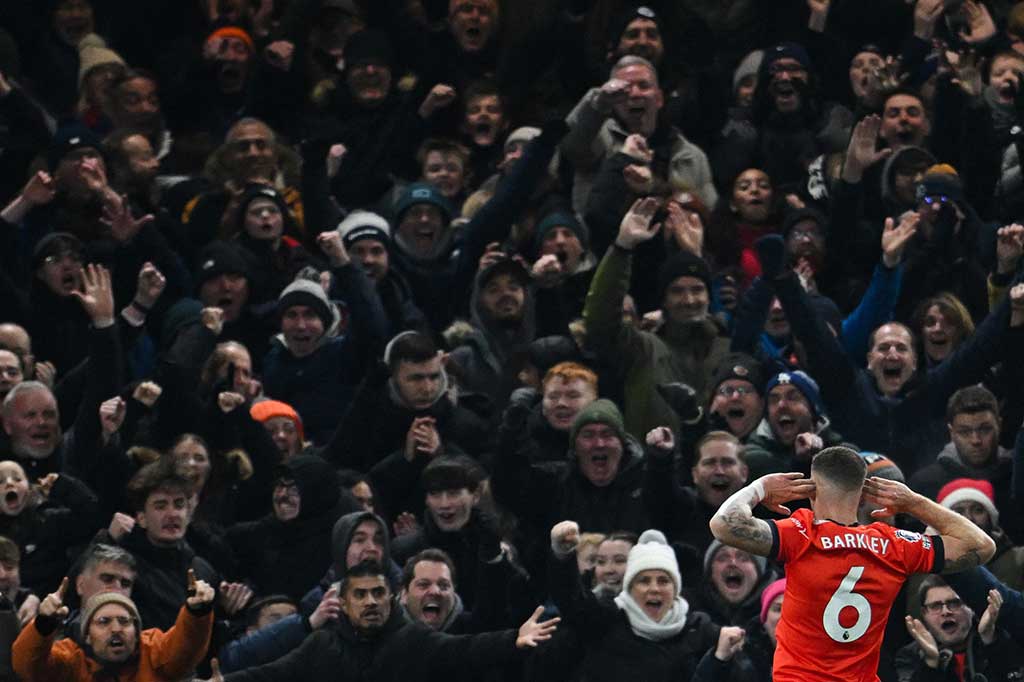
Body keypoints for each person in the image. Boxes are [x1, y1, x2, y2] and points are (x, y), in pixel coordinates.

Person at [710, 446, 996, 682]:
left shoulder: (801, 534)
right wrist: (914, 503)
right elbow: (982, 546)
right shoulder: (895, 545)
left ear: (811, 492)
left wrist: (760, 487)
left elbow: (723, 524)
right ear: (861, 497)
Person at [204, 559, 559, 682]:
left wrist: (513, 638)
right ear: (344, 604)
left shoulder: (414, 640)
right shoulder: (322, 645)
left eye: (377, 593)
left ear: (391, 598)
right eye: (360, 595)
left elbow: (467, 648)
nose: (371, 601)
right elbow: (272, 675)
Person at [583, 197, 729, 437]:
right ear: (663, 301)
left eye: (697, 290)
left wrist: (695, 255)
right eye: (677, 291)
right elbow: (600, 320)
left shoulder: (725, 347)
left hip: (719, 459)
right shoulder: (642, 348)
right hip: (653, 458)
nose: (689, 300)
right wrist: (621, 249)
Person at [547, 522, 730, 682]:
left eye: (663, 581)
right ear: (630, 588)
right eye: (644, 581)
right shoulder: (606, 620)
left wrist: (724, 655)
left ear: (675, 589)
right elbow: (572, 601)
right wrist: (563, 556)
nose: (654, 588)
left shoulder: (698, 629)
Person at [13, 571, 215, 682]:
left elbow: (186, 648)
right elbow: (27, 667)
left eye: (124, 621)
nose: (116, 628)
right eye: (104, 621)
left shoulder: (154, 652)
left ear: (136, 632)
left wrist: (197, 611)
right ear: (87, 636)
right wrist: (44, 624)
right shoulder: (70, 662)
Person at [895, 576, 1024, 681]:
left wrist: (989, 638)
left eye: (954, 603)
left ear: (971, 607)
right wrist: (930, 663)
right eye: (935, 606)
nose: (945, 612)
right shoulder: (909, 656)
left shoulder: (1004, 638)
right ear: (924, 613)